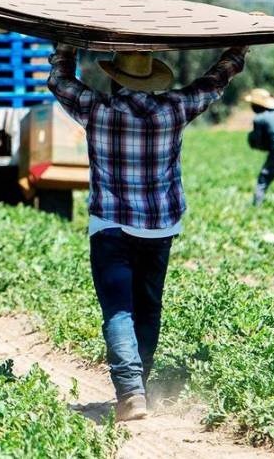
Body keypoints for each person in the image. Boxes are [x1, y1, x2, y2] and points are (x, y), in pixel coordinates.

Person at [48, 44, 248, 422]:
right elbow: (215, 82)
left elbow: (59, 82)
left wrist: (65, 48)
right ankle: (140, 387)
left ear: (115, 78)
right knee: (148, 307)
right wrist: (237, 51)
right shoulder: (174, 109)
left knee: (118, 309)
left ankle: (130, 393)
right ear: (152, 78)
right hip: (160, 227)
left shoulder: (97, 109)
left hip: (111, 224)